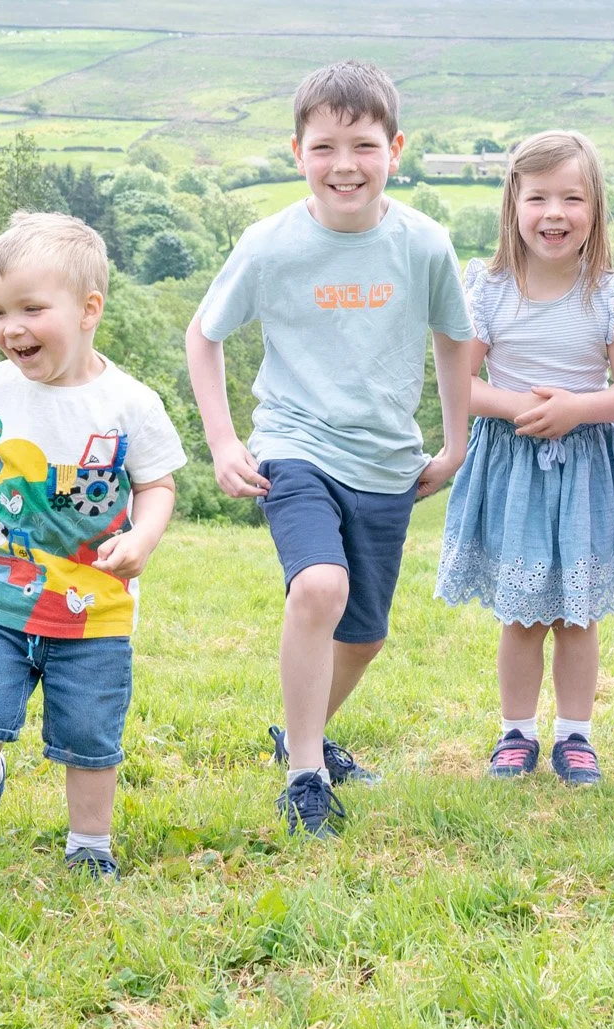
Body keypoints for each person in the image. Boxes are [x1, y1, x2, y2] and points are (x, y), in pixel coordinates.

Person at [186, 60, 474, 838]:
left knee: (366, 632)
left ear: (396, 148)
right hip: (294, 443)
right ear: (296, 151)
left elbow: (456, 337)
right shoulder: (270, 242)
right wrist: (222, 438)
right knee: (318, 587)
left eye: (363, 145)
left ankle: (300, 731)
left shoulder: (423, 244)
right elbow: (204, 336)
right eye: (324, 147)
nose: (343, 164)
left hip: (386, 460)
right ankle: (306, 773)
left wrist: (456, 442)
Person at [0, 213, 184, 877]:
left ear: (88, 310)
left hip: (95, 608)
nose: (11, 328)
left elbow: (158, 485)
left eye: (32, 309)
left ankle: (89, 845)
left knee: (88, 736)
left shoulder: (128, 403)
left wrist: (144, 535)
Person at [434, 130, 614, 785]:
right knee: (522, 613)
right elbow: (462, 383)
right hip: (511, 468)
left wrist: (573, 409)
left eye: (572, 197)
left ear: (596, 209)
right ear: (514, 204)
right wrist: (514, 407)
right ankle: (516, 732)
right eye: (538, 197)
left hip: (584, 465)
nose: (554, 213)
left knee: (577, 613)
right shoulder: (489, 288)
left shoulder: (608, 293)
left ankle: (576, 736)